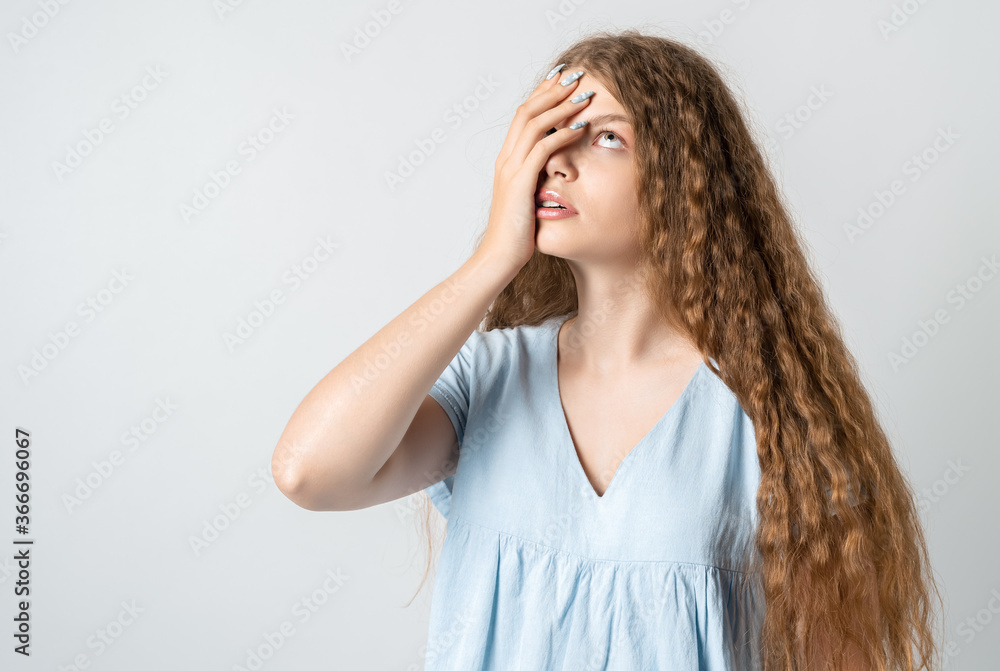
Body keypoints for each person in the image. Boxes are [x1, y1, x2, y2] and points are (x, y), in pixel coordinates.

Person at [271, 28, 943, 671]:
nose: (556, 160)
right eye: (549, 134)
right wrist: (489, 261)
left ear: (687, 182)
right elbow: (308, 471)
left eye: (607, 138)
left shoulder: (768, 414)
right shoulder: (489, 378)